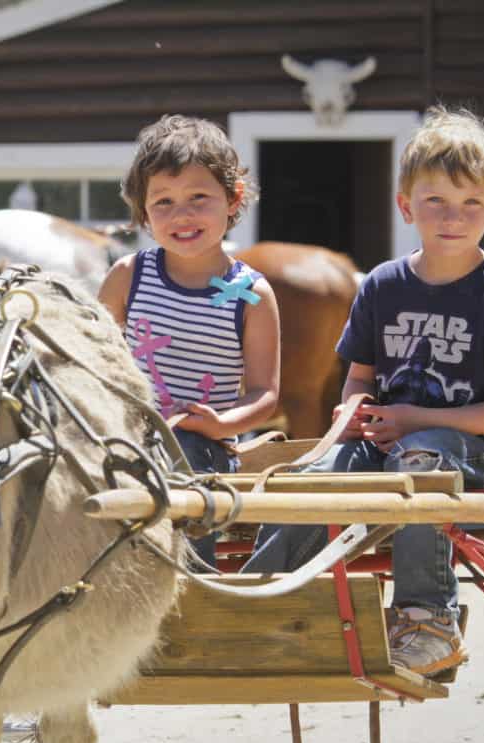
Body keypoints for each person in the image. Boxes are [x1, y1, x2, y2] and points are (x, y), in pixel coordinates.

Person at [243, 106, 484, 677]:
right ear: (407, 205)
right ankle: (260, 599)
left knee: (422, 455)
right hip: (390, 438)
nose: (452, 217)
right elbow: (360, 375)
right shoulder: (384, 284)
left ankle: (427, 618)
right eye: (435, 201)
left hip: (472, 454)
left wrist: (411, 417)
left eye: (471, 204)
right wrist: (354, 406)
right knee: (312, 475)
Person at [98, 114, 281, 567]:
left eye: (199, 197)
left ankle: (189, 581)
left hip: (204, 448)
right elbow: (95, 363)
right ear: (143, 211)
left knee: (189, 465)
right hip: (126, 436)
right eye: (163, 202)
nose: (182, 215)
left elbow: (265, 394)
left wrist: (221, 424)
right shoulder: (129, 277)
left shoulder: (252, 295)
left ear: (233, 198)